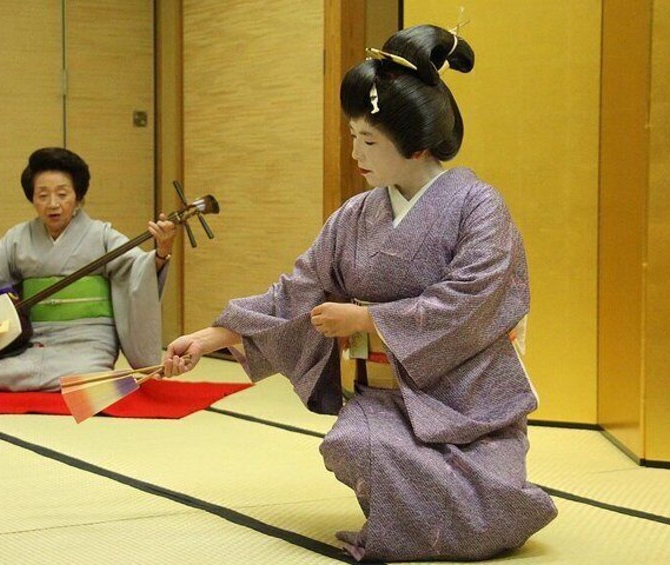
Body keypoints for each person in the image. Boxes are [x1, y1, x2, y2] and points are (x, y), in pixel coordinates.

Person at [162, 25, 557, 562]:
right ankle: (419, 520)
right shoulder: (355, 215)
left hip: (468, 402)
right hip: (385, 397)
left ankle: (460, 510)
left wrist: (368, 320)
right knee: (354, 444)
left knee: (496, 505)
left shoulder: (479, 206)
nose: (354, 153)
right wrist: (210, 337)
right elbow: (298, 292)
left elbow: (474, 299)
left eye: (368, 141)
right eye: (352, 136)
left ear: (416, 145)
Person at [0, 147, 175, 392]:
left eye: (62, 194)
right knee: (4, 376)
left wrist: (161, 252)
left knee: (87, 375)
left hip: (89, 338)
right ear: (32, 198)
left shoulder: (100, 235)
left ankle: (91, 375)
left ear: (78, 197)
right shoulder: (18, 238)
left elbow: (138, 268)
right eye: (42, 195)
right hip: (37, 339)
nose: (53, 204)